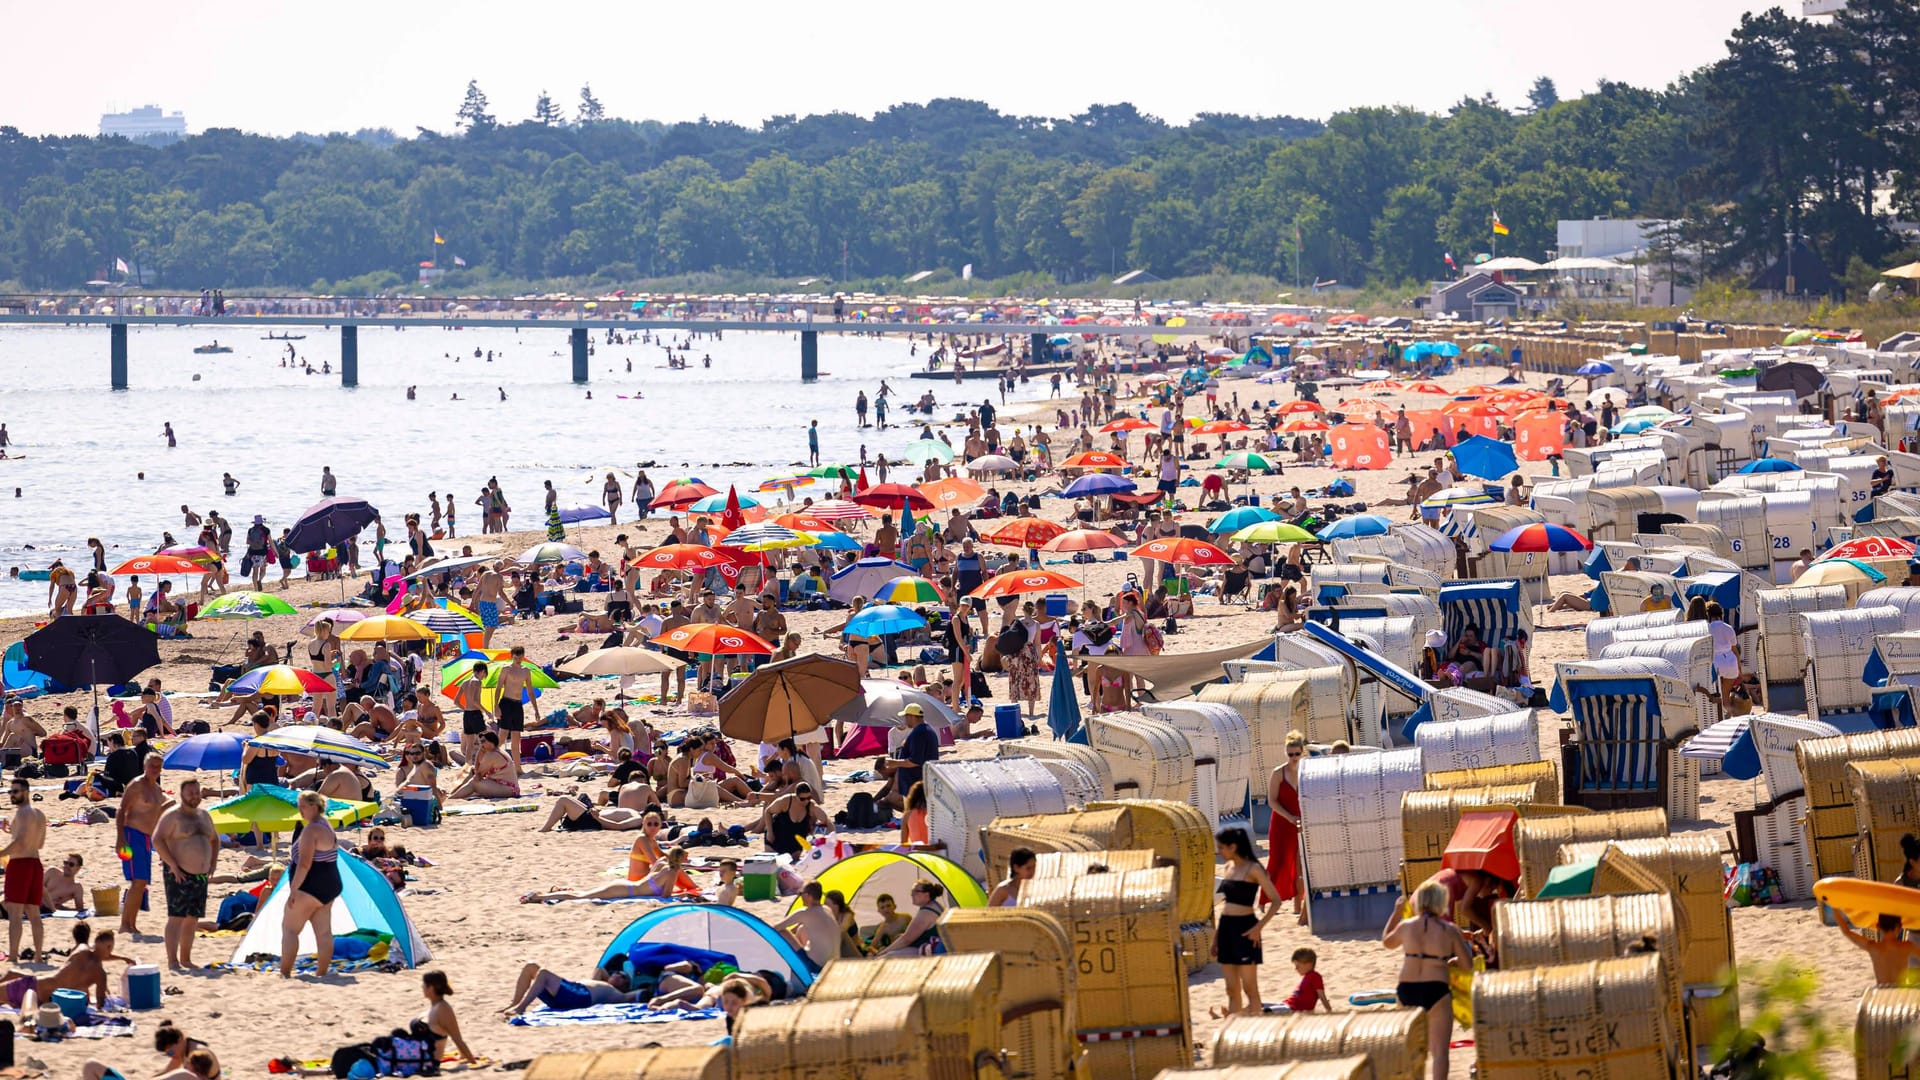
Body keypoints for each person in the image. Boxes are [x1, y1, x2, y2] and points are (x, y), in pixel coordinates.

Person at [1384, 879, 1475, 1080]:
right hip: (1436, 988)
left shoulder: (1406, 926)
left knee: (1412, 1051)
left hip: (1407, 989)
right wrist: (1449, 962)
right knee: (1440, 1052)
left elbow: (1387, 942)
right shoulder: (1449, 930)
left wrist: (1396, 913)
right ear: (1440, 902)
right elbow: (1468, 966)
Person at [1210, 826, 1281, 1018]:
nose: (1219, 851)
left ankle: (1252, 1031)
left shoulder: (1253, 869)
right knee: (1231, 989)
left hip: (1246, 929)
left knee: (1250, 988)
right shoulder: (1227, 868)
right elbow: (1225, 907)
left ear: (1233, 846)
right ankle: (1234, 1031)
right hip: (1226, 929)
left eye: (1222, 847)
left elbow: (1276, 900)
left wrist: (1258, 927)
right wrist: (1216, 939)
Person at [152, 778, 218, 970]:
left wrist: (213, 862)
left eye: (197, 792)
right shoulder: (173, 816)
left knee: (192, 919)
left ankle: (186, 959)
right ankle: (173, 961)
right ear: (182, 794)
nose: (195, 796)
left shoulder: (204, 815)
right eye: (191, 793)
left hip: (200, 876)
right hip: (178, 873)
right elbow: (157, 839)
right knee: (177, 917)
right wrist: (172, 864)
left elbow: (214, 839)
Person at [281, 790, 341, 979]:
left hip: (311, 884)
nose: (300, 811)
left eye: (303, 807)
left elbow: (305, 864)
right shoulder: (326, 825)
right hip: (331, 882)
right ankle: (321, 973)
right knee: (323, 932)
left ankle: (284, 973)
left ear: (314, 807)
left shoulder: (311, 830)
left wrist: (293, 890)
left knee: (290, 929)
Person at [118, 753, 167, 937]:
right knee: (136, 881)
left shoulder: (157, 789)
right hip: (132, 835)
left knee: (142, 883)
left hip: (147, 839)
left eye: (157, 766)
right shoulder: (137, 785)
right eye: (151, 766)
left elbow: (157, 817)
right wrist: (120, 839)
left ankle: (132, 923)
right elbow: (121, 811)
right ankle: (125, 924)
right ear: (145, 766)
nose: (154, 769)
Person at [0, 776, 46, 962]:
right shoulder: (39, 814)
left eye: (15, 791)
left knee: (15, 915)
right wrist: (11, 831)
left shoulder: (21, 813)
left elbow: (20, 843)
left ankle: (12, 956)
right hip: (35, 864)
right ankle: (38, 956)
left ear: (26, 792)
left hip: (20, 865)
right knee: (34, 913)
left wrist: (2, 852)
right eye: (10, 791)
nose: (12, 795)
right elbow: (39, 843)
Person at [1266, 731, 1305, 923]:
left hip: (1301, 822)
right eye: (1290, 754)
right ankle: (1264, 901)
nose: (1293, 758)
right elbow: (1272, 801)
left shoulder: (1307, 770)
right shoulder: (1278, 773)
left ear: (1302, 752)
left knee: (1299, 865)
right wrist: (1289, 817)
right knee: (1278, 862)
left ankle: (1298, 905)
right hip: (1282, 821)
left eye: (1296, 754)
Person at [501, 963, 640, 1016]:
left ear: (625, 985)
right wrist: (609, 977)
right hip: (571, 991)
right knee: (530, 967)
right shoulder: (598, 981)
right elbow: (600, 969)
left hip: (580, 996)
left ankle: (521, 1007)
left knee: (543, 973)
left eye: (622, 976)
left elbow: (635, 995)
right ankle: (515, 1004)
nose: (617, 974)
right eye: (616, 972)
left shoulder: (616, 993)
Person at [878, 703, 940, 810]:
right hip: (921, 778)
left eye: (906, 717)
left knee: (912, 810)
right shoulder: (927, 730)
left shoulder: (919, 733)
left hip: (915, 781)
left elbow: (915, 761)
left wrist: (894, 763)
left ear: (911, 716)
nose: (905, 720)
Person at [1837, 910, 1920, 985]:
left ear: (1877, 926)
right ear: (1900, 927)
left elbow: (1846, 932)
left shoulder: (1873, 947)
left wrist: (1834, 907)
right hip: (1900, 994)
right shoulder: (1907, 946)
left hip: (1881, 994)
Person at [774, 882, 841, 971]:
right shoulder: (827, 909)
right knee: (802, 929)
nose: (800, 896)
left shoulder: (804, 913)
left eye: (801, 893)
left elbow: (775, 928)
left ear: (808, 896)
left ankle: (784, 964)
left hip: (816, 967)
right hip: (834, 964)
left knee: (783, 932)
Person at [875, 881, 945, 956]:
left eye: (916, 891)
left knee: (886, 957)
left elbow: (906, 940)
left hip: (925, 950)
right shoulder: (935, 905)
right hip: (929, 946)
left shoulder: (925, 913)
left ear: (926, 894)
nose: (912, 894)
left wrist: (884, 952)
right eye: (912, 891)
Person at [760, 783, 829, 857]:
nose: (806, 801)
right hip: (777, 837)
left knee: (794, 858)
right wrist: (770, 832)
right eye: (802, 799)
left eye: (808, 798)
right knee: (774, 859)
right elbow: (768, 812)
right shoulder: (785, 801)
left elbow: (825, 819)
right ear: (796, 796)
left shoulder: (811, 805)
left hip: (795, 842)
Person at [1707, 600, 1742, 706]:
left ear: (1708, 615)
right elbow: (1734, 650)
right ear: (1721, 614)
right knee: (1726, 694)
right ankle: (1728, 714)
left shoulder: (1707, 628)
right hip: (1730, 661)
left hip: (1716, 661)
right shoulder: (1729, 628)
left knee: (1715, 693)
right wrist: (1739, 669)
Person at [1277, 947, 1331, 1014]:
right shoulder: (1307, 976)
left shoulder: (1315, 976)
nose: (1296, 968)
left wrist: (1329, 1011)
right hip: (1286, 1004)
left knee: (1265, 1011)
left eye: (1297, 965)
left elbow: (1322, 996)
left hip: (1293, 1008)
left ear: (1309, 964)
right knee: (1261, 1005)